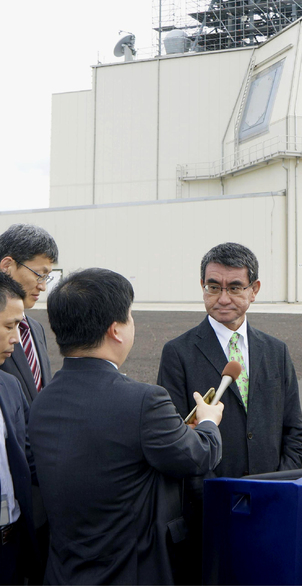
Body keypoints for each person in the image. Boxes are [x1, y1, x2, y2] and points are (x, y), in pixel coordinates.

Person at [28, 268, 224, 585]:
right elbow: (197, 456)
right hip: (129, 572)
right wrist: (208, 422)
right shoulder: (144, 401)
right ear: (116, 330)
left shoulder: (42, 401)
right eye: (130, 316)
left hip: (63, 572)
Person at [157, 242, 302, 582]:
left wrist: (278, 488)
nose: (223, 298)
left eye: (235, 287)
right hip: (209, 517)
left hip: (272, 509)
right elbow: (174, 442)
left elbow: (294, 432)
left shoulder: (276, 351)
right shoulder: (178, 353)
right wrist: (215, 499)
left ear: (254, 290)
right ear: (202, 287)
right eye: (214, 287)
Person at [0, 272, 38, 585]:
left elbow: (30, 458)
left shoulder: (10, 387)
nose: (16, 338)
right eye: (9, 326)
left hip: (10, 547)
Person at [0, 223, 58, 402]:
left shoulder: (36, 329)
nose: (43, 286)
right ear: (7, 265)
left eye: (46, 277)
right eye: (39, 274)